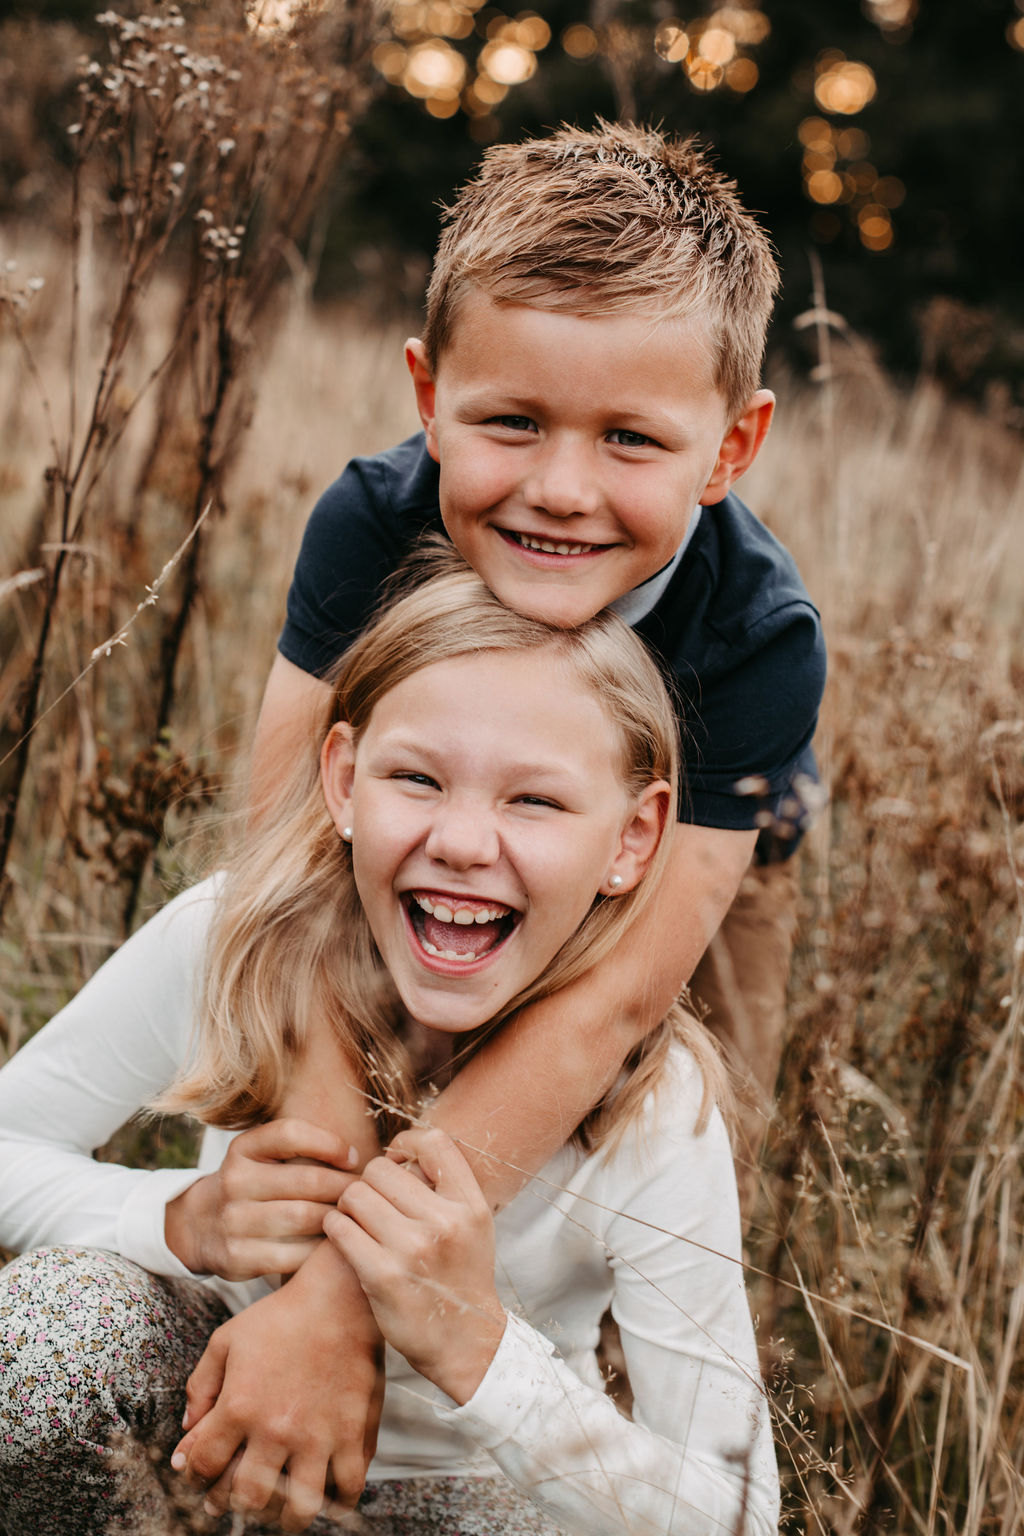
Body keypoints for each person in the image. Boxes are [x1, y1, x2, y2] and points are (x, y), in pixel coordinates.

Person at [0, 563, 779, 1535]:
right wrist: (180, 1219)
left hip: (474, 1491)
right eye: (416, 778)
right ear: (343, 781)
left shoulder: (656, 1103)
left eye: (533, 802)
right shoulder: (227, 943)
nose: (460, 842)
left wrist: (478, 1349)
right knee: (43, 1331)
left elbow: (737, 1510)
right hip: (206, 1422)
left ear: (634, 837)